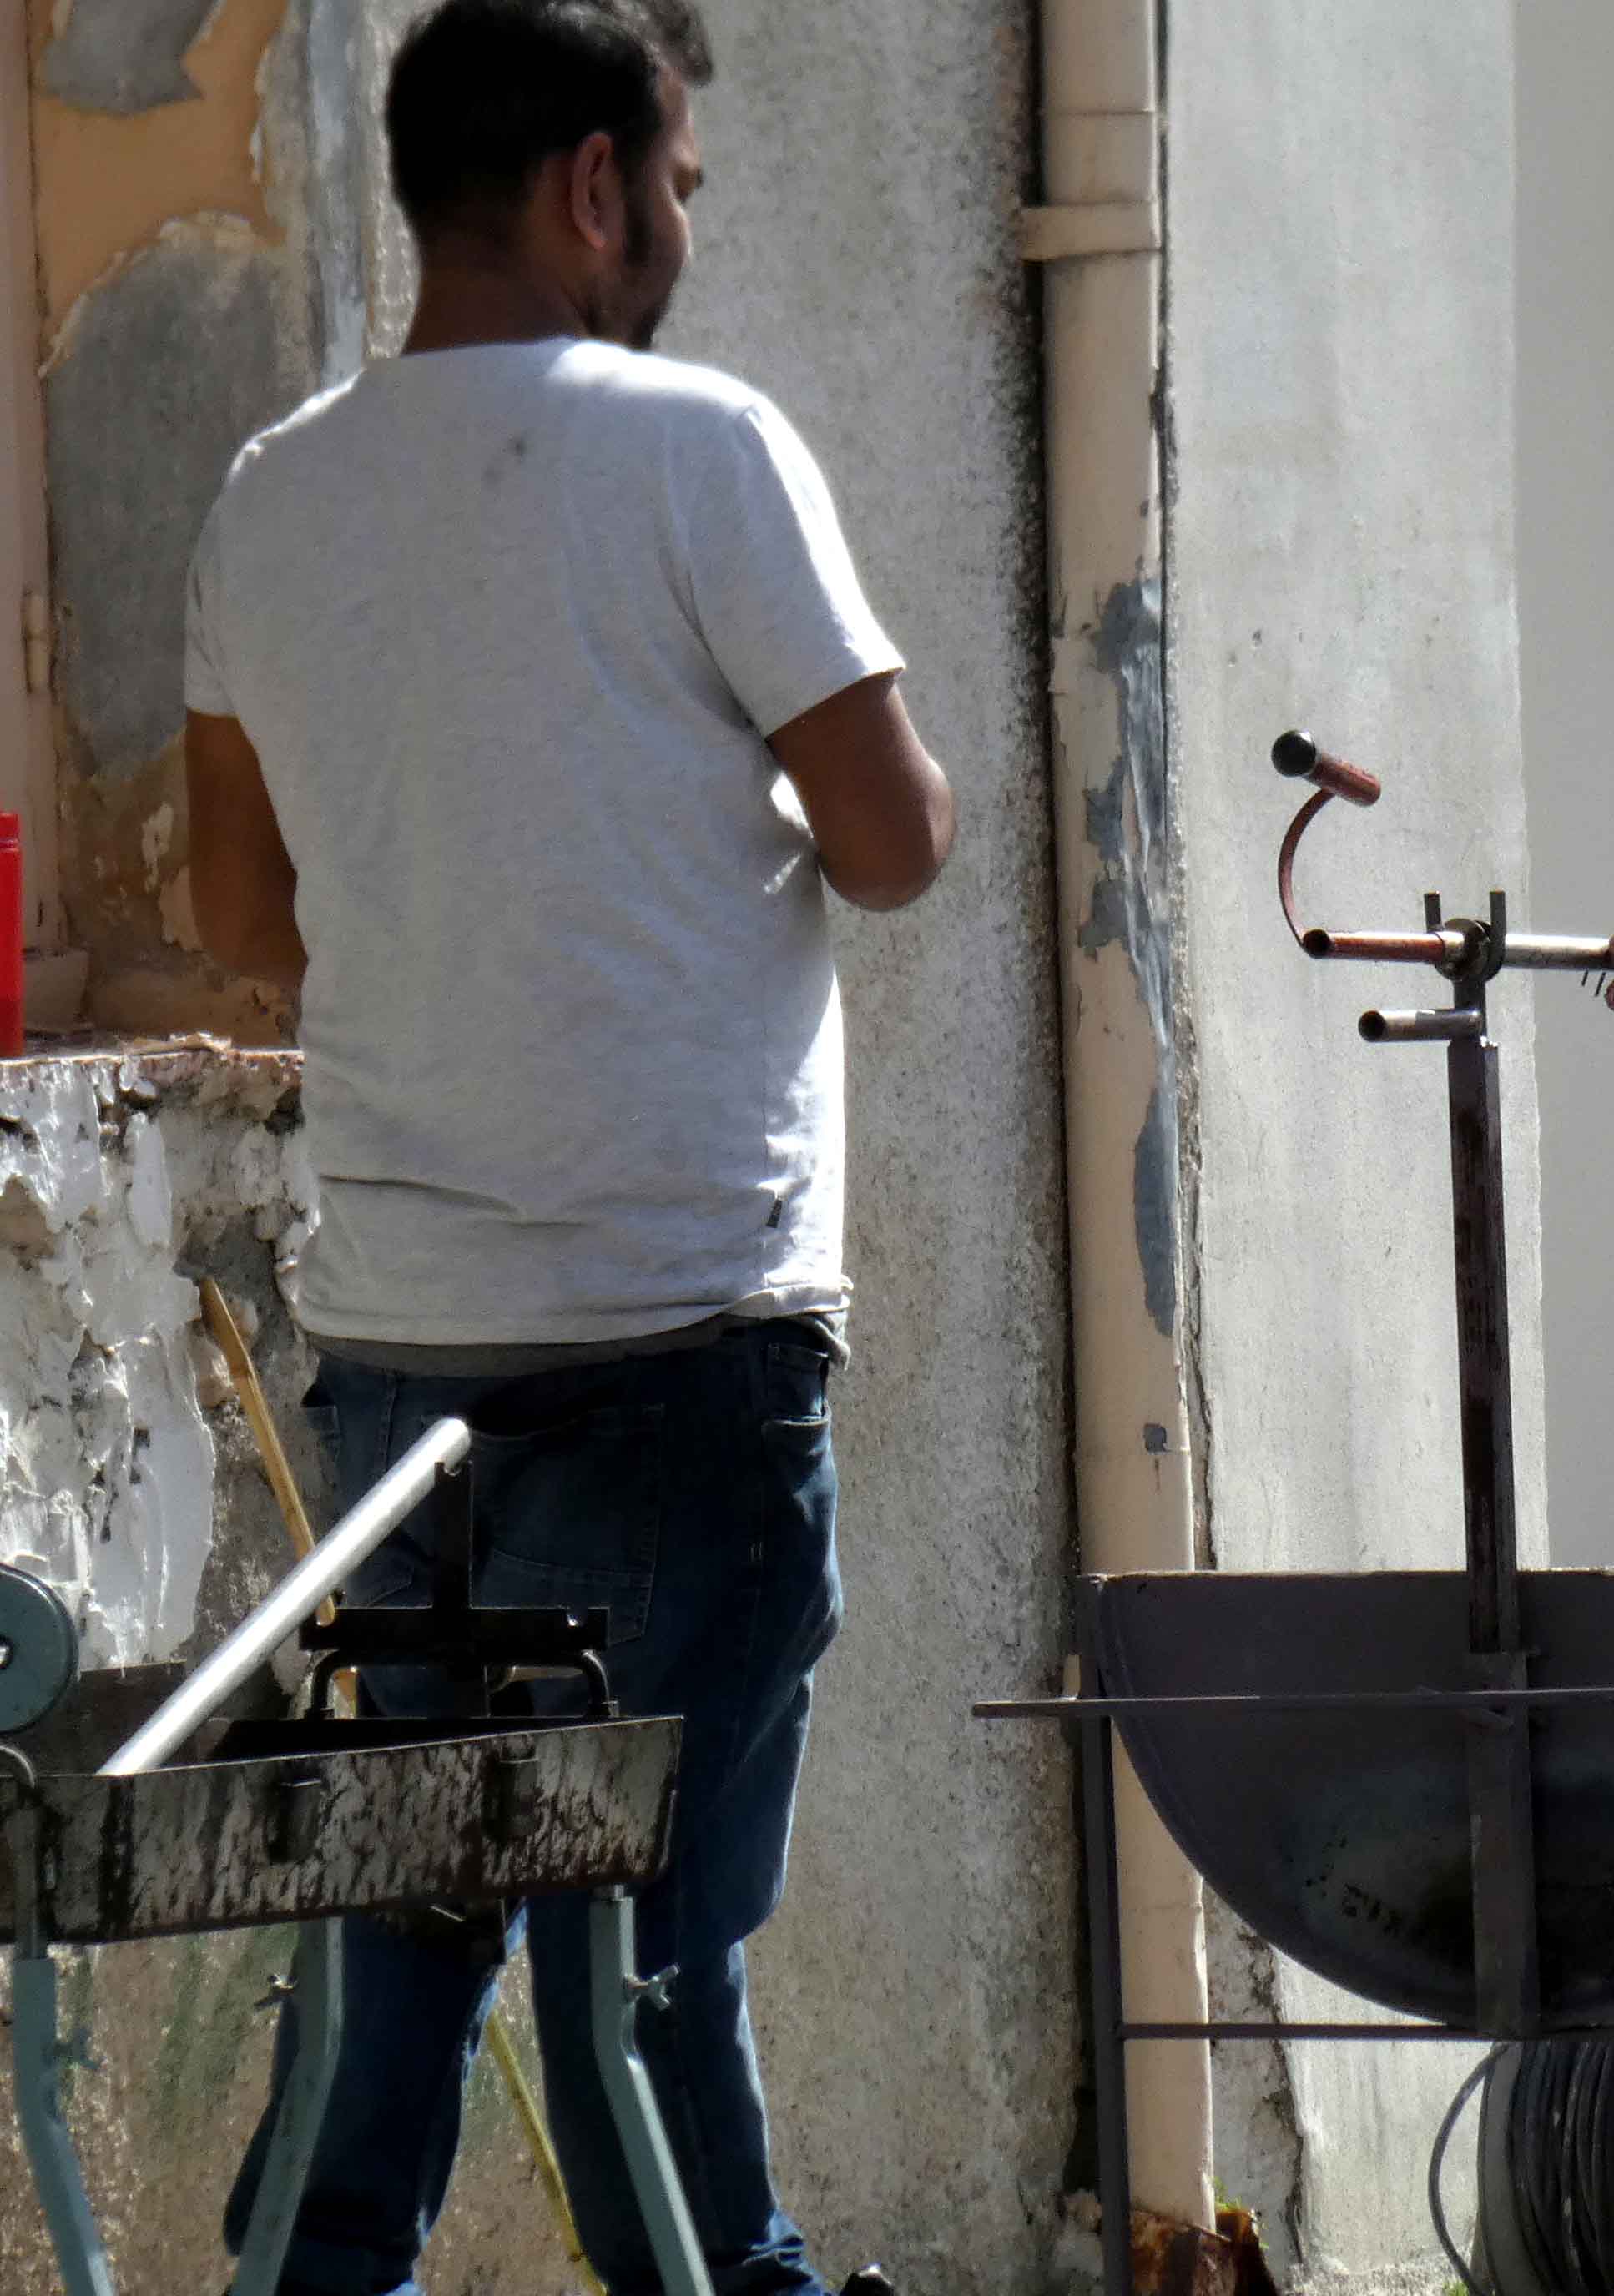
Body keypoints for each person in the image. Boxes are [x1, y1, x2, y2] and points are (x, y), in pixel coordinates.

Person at [180, 1, 951, 2289]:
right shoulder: (708, 449)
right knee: (651, 1968)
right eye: (679, 185)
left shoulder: (270, 492)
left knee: (393, 1952)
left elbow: (239, 923)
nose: (682, 231)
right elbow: (896, 843)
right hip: (681, 1335)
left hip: (401, 1362)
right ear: (591, 185)